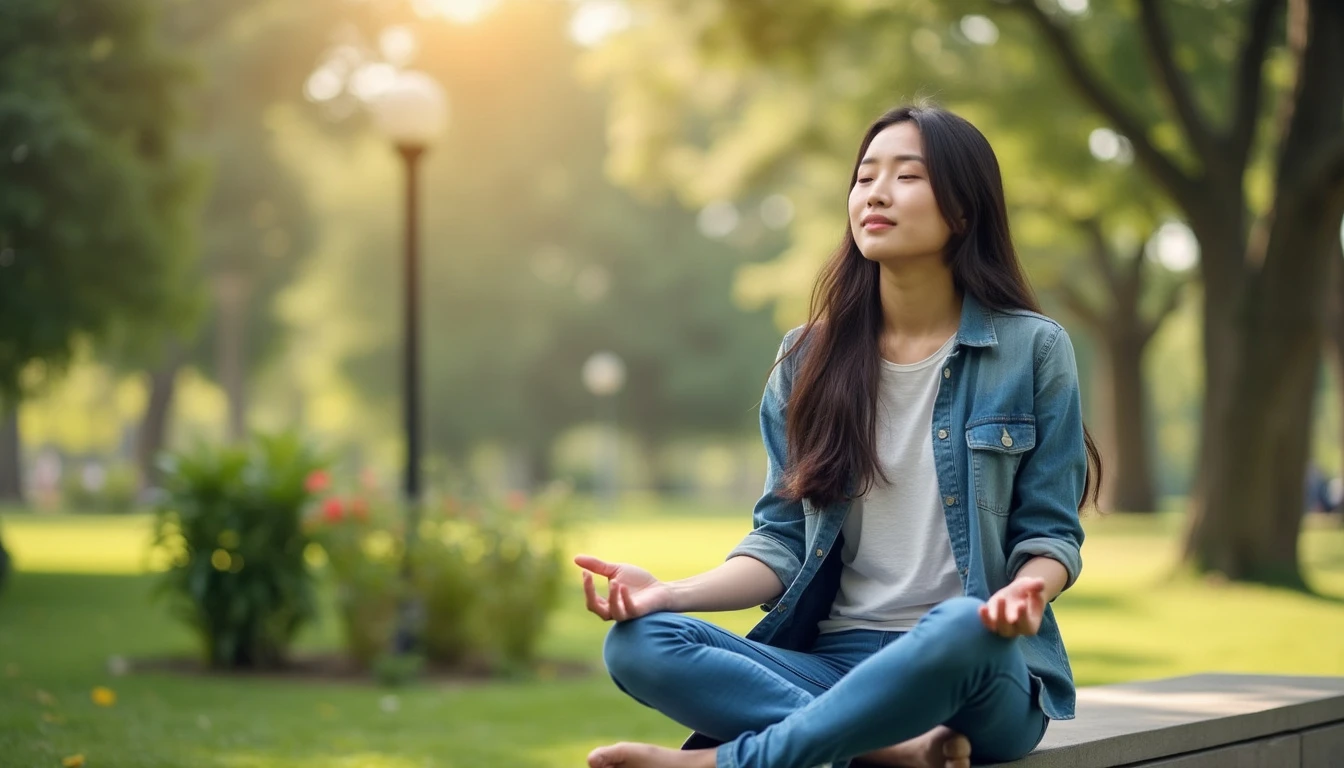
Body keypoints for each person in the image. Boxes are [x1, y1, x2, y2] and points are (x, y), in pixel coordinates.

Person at [574, 104, 1103, 768]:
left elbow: (1051, 531)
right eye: (864, 176)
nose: (876, 193)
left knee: (957, 625)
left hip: (971, 666)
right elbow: (781, 542)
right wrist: (667, 594)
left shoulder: (1031, 349)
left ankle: (717, 765)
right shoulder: (807, 361)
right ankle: (889, 751)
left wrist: (1027, 591)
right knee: (637, 642)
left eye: (907, 176)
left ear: (963, 211)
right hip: (834, 666)